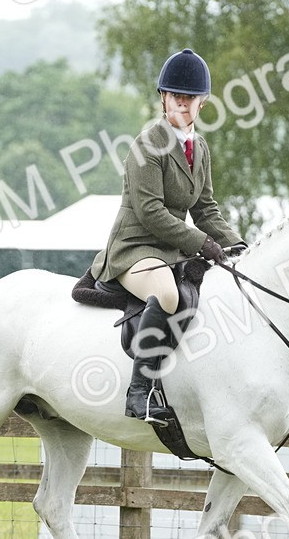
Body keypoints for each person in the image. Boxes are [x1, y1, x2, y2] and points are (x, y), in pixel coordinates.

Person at [88, 48, 245, 425]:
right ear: (163, 98)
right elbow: (151, 213)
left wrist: (236, 246)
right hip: (134, 248)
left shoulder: (200, 148)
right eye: (176, 97)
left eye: (190, 98)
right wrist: (200, 244)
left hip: (170, 250)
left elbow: (206, 208)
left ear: (203, 103)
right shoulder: (147, 145)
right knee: (169, 295)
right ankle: (139, 392)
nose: (183, 104)